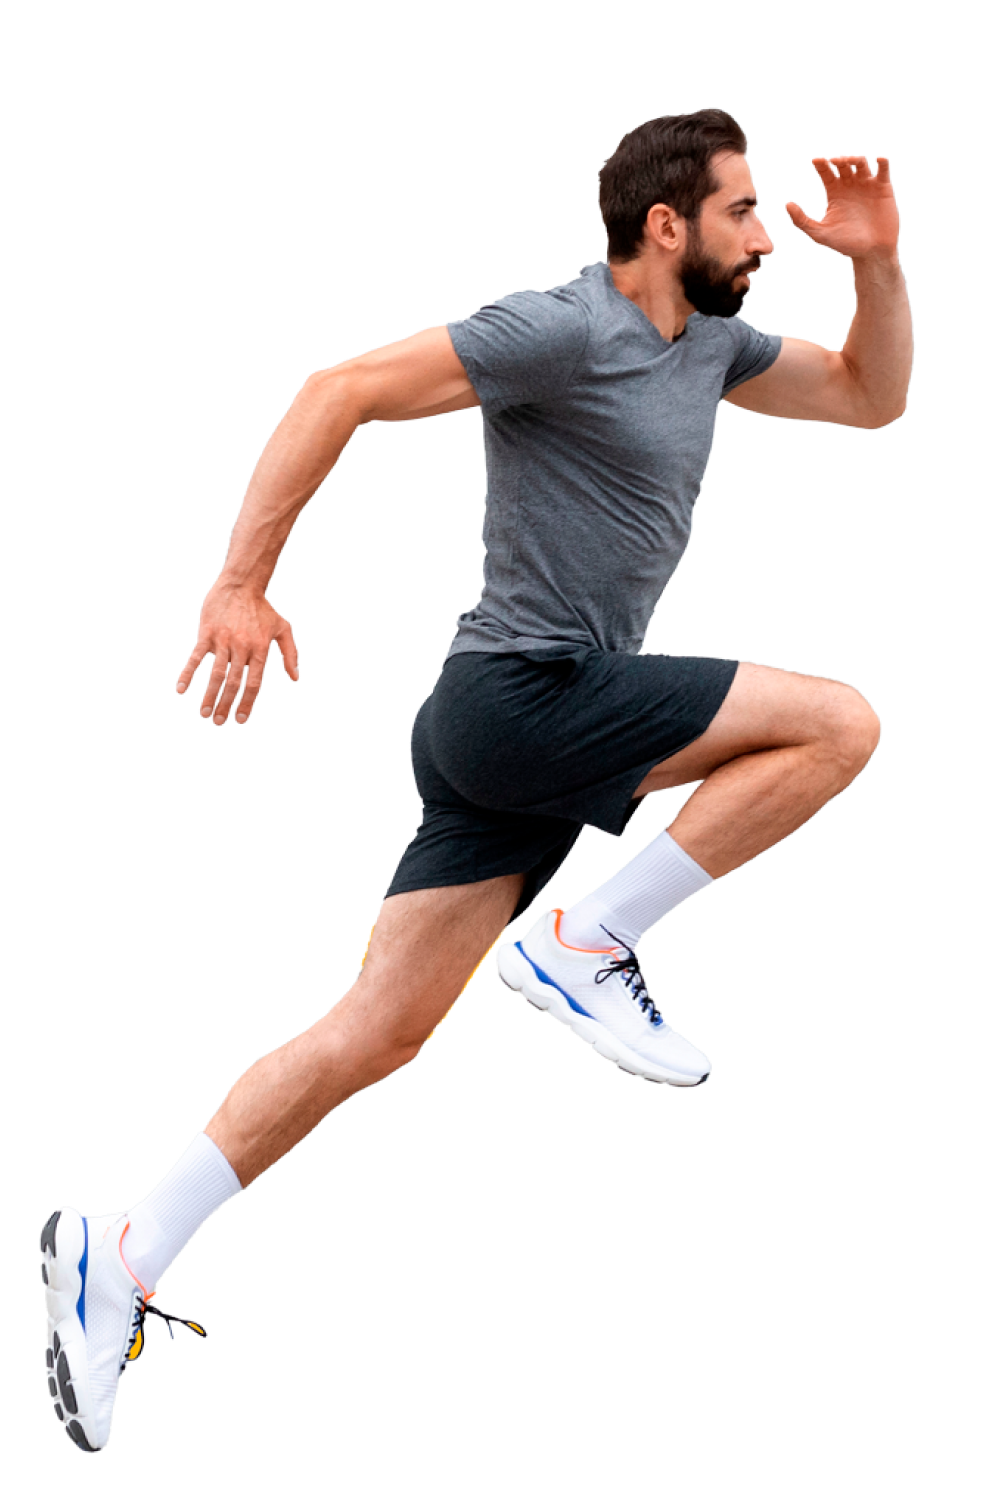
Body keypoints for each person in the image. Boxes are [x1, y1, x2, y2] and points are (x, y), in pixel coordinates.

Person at [42, 110, 912, 1452]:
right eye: (743, 211)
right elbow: (336, 388)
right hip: (523, 698)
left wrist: (879, 263)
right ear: (664, 224)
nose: (763, 236)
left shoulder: (716, 348)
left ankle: (122, 1250)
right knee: (838, 726)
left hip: (510, 741)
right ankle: (588, 941)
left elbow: (870, 395)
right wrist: (241, 582)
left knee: (376, 1032)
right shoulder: (559, 327)